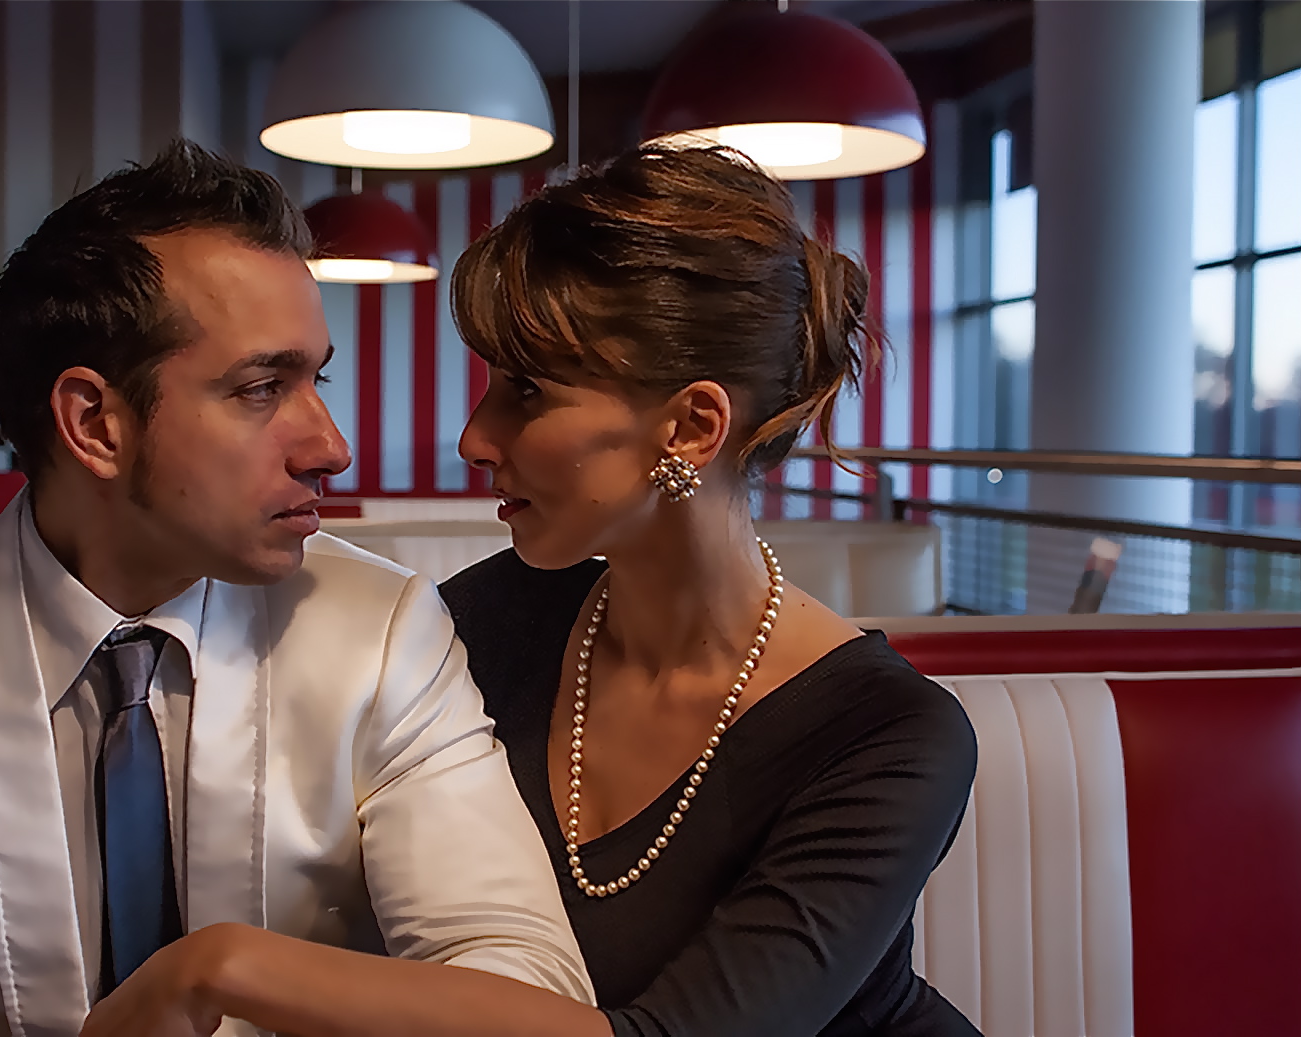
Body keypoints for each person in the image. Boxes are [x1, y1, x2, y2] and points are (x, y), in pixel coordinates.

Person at [78, 145, 980, 1037]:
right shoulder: (484, 620)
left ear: (691, 425)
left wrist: (221, 967)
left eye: (526, 392)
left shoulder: (891, 735)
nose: (475, 438)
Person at [0, 142, 592, 1037]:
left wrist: (226, 972)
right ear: (95, 424)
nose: (331, 447)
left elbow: (527, 995)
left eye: (317, 378)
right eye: (262, 387)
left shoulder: (384, 632)